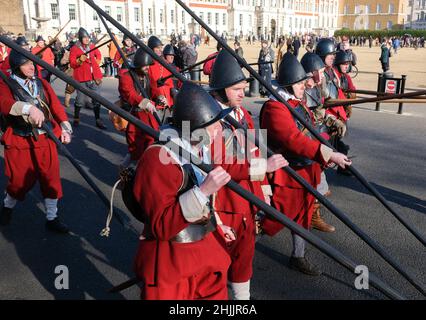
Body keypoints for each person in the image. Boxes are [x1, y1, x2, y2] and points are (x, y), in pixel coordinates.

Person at [133, 82, 234, 300]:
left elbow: (205, 203)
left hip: (204, 247)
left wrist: (217, 223)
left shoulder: (199, 148)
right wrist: (204, 191)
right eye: (214, 124)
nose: (220, 129)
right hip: (171, 257)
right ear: (196, 127)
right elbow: (161, 226)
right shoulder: (158, 159)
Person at [259, 52, 352, 275]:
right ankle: (240, 241)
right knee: (275, 219)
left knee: (303, 215)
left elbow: (310, 129)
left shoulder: (296, 103)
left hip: (305, 168)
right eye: (300, 83)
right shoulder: (275, 108)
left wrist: (327, 132)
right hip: (287, 172)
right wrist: (329, 154)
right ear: (290, 85)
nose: (305, 86)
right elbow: (294, 140)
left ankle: (298, 256)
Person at [208, 50, 288, 299]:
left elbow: (254, 152)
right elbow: (220, 166)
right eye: (236, 89)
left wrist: (263, 190)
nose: (243, 93)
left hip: (247, 202)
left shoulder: (244, 115)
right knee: (217, 264)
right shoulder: (209, 120)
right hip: (223, 204)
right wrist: (263, 169)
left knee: (244, 260)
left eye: (243, 88)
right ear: (221, 91)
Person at [0, 49, 73, 233]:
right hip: (20, 140)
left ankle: (52, 217)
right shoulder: (5, 84)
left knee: (51, 179)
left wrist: (65, 126)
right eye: (26, 64)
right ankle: (7, 207)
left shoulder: (40, 83)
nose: (32, 67)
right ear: (17, 67)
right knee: (18, 183)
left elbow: (55, 106)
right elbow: (4, 103)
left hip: (45, 138)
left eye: (32, 63)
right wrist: (27, 109)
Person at [300, 52, 335, 233]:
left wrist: (329, 119)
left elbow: (317, 113)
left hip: (314, 141)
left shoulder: (314, 89)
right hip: (301, 147)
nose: (322, 75)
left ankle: (313, 217)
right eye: (319, 72)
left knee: (319, 186)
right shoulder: (300, 91)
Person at [118, 48, 157, 167]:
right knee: (135, 149)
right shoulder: (126, 77)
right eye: (145, 65)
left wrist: (160, 96)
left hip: (148, 117)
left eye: (148, 65)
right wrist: (144, 102)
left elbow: (154, 88)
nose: (147, 67)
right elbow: (129, 93)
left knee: (152, 143)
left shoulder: (147, 75)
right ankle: (127, 174)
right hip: (134, 117)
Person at [70, 27, 106, 129]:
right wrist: (79, 60)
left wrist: (97, 62)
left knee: (97, 100)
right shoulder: (74, 48)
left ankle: (98, 120)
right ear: (80, 38)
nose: (87, 39)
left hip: (95, 78)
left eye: (88, 37)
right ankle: (76, 117)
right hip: (81, 78)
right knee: (80, 100)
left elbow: (98, 54)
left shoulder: (92, 46)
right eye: (84, 37)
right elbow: (72, 63)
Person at [147, 36, 174, 119]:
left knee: (169, 129)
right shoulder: (147, 64)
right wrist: (160, 96)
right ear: (152, 48)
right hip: (155, 103)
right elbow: (149, 84)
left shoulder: (165, 63)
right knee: (157, 129)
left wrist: (171, 99)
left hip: (168, 103)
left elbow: (170, 84)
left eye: (161, 48)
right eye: (157, 48)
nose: (160, 50)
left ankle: (185, 132)